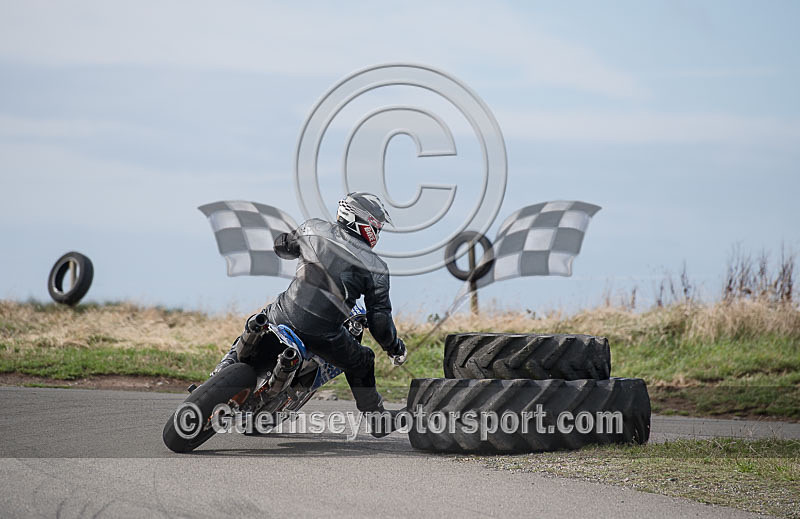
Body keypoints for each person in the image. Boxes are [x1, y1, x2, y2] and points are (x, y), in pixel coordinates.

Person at [212, 192, 407, 437]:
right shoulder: (376, 267)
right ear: (363, 221)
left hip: (282, 313)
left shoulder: (313, 228)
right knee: (363, 360)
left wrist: (288, 244)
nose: (377, 232)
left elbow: (282, 246)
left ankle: (221, 370)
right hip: (322, 334)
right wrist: (394, 348)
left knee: (257, 322)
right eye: (377, 226)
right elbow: (380, 321)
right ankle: (378, 420)